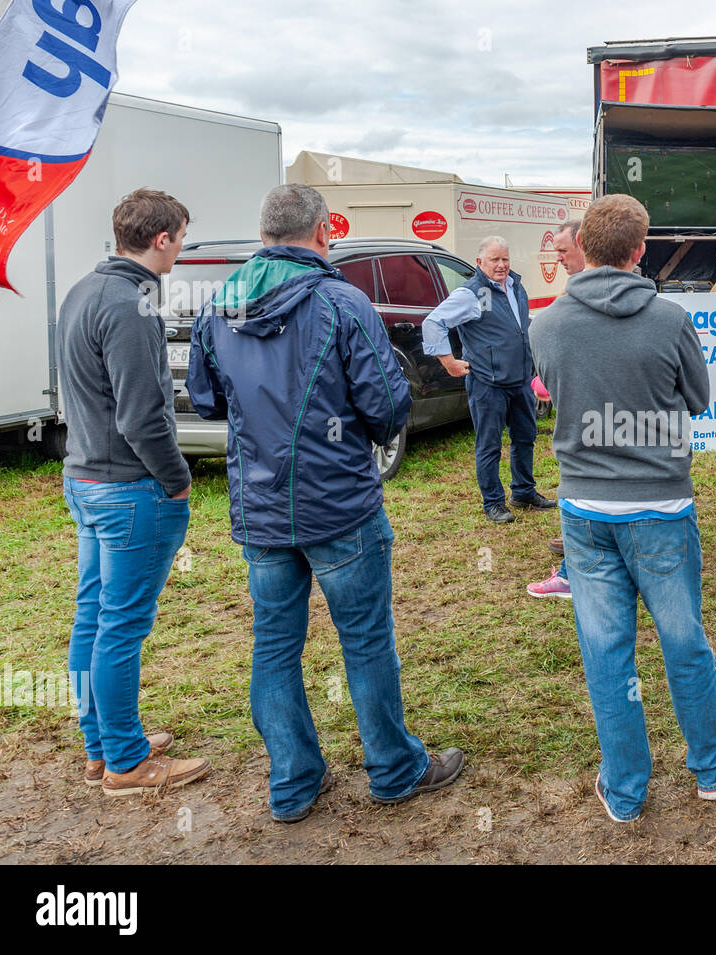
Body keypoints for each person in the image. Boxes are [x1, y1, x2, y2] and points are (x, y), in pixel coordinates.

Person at [187, 184, 463, 822]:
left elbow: (206, 401)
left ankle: (292, 781)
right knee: (365, 640)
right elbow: (389, 406)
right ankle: (394, 769)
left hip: (261, 506)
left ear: (262, 237)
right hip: (340, 504)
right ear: (321, 235)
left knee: (274, 645)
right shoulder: (343, 301)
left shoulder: (216, 308)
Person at [529, 194, 716, 822]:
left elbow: (556, 391)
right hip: (659, 505)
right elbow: (699, 399)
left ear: (586, 248)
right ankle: (713, 765)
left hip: (583, 508)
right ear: (638, 251)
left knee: (605, 649)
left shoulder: (545, 324)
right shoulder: (670, 319)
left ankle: (625, 789)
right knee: (683, 639)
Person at [57, 189, 211, 797]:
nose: (179, 247)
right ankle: (125, 760)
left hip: (87, 479)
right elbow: (143, 418)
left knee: (93, 619)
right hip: (128, 489)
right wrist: (177, 481)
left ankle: (103, 746)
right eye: (180, 237)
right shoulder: (131, 306)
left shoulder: (83, 291)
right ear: (163, 239)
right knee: (119, 627)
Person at [423, 235, 555, 523]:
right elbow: (434, 323)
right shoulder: (471, 293)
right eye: (494, 259)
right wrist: (449, 363)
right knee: (489, 444)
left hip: (519, 379)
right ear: (479, 262)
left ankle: (523, 492)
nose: (501, 265)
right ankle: (493, 503)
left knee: (525, 437)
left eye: (505, 258)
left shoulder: (515, 286)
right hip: (488, 383)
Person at [528, 219, 586, 599]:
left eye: (564, 250)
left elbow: (548, 386)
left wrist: (543, 383)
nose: (559, 258)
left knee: (578, 492)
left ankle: (570, 572)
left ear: (586, 244)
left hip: (583, 429)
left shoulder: (569, 308)